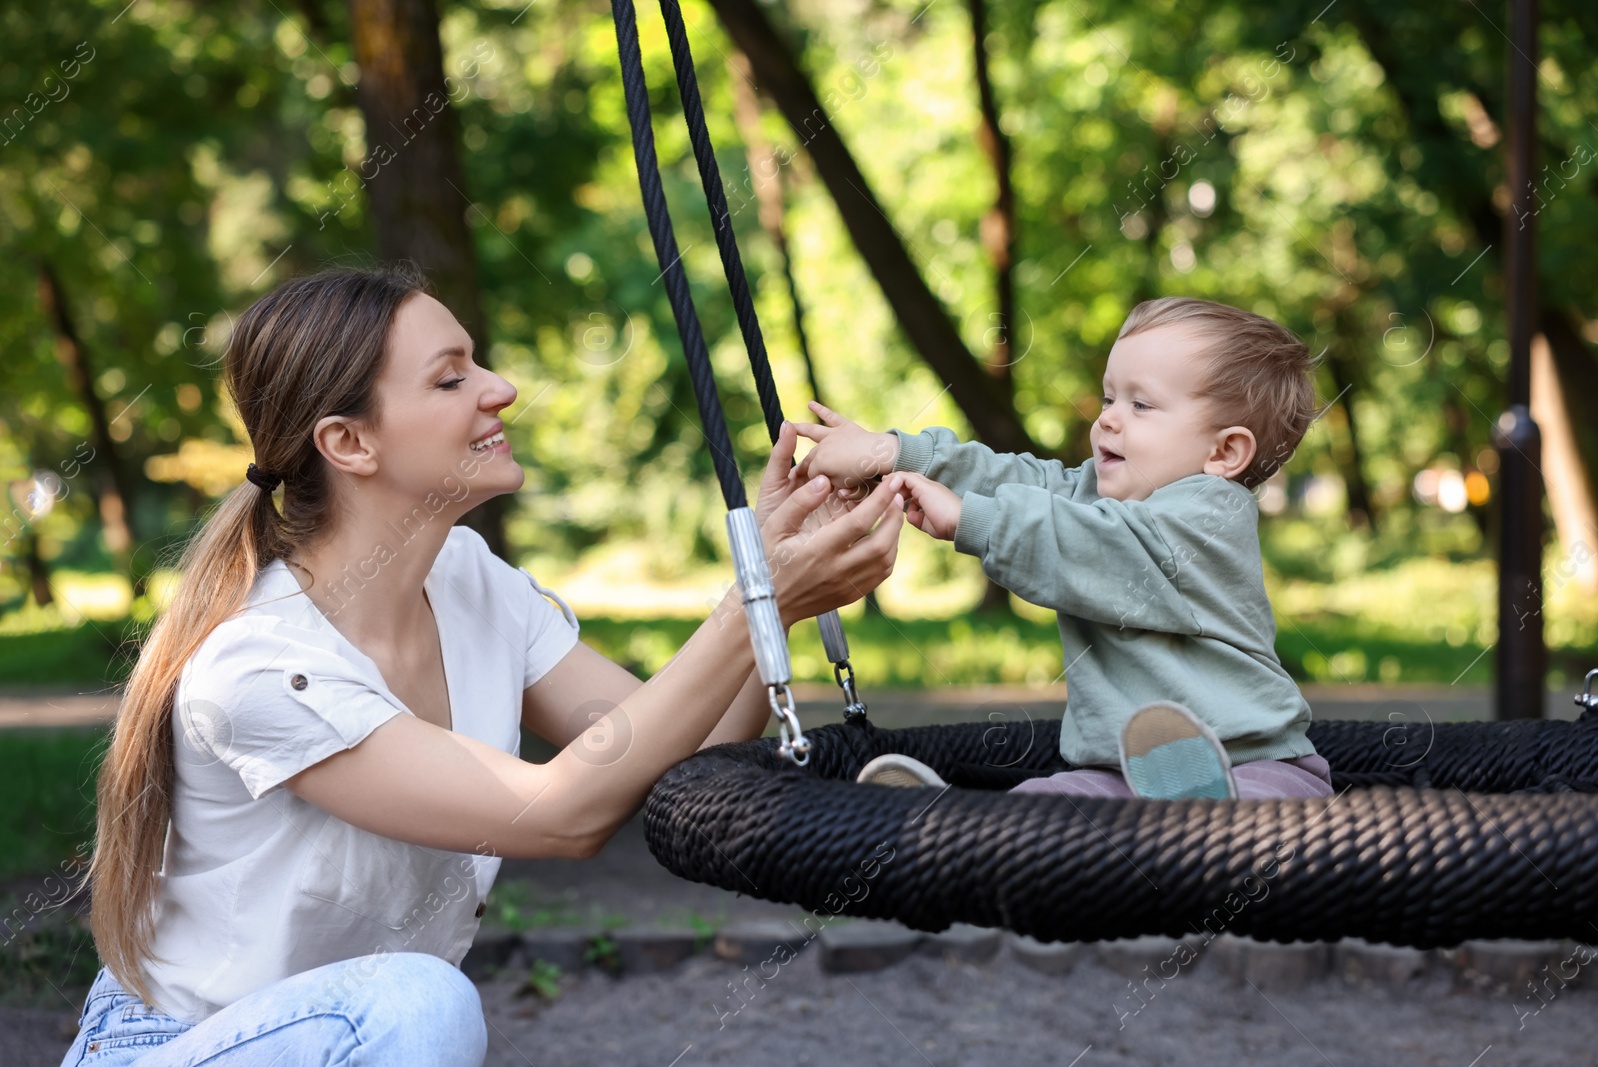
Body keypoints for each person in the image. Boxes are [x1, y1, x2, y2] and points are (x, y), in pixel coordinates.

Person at [59, 264, 907, 1066]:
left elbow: (695, 745)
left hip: (349, 1038)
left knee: (413, 1002)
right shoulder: (261, 664)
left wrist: (774, 577)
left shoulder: (469, 580)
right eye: (451, 377)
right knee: (417, 1002)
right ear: (350, 442)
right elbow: (561, 813)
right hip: (184, 1045)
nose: (500, 388)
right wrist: (752, 600)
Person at [798, 296, 1334, 802]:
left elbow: (1096, 546)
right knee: (1046, 803)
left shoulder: (1210, 516)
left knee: (1273, 815)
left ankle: (1205, 815)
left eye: (1141, 404)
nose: (1107, 418)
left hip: (1259, 767)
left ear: (1225, 452)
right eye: (1108, 398)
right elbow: (1013, 476)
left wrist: (971, 519)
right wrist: (893, 454)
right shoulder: (1094, 494)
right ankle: (959, 832)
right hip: (1119, 777)